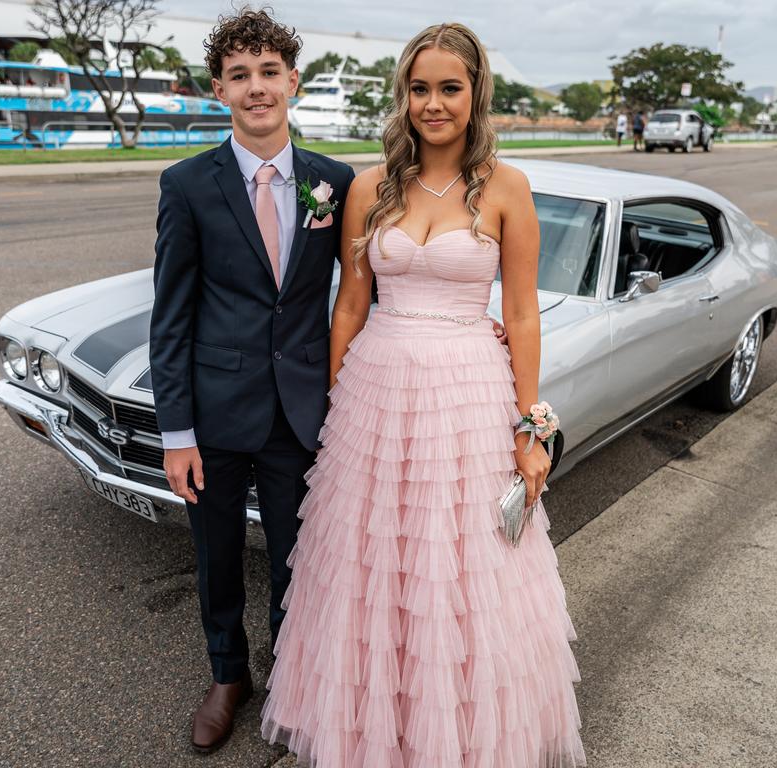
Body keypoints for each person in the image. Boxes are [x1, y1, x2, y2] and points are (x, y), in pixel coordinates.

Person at [148, 8, 508, 756]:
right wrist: (176, 433)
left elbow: (370, 287)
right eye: (240, 76)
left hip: (304, 410)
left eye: (269, 73)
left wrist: (468, 326)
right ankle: (227, 677)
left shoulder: (336, 182)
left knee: (302, 559)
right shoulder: (186, 185)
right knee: (216, 558)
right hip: (214, 413)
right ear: (219, 90)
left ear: (293, 82)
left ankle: (294, 679)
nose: (256, 89)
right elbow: (171, 318)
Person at [261, 22, 587, 767]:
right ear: (402, 95)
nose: (433, 104)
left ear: (475, 95)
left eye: (449, 88)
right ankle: (380, 727)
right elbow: (350, 304)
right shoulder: (369, 186)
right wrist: (335, 407)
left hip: (469, 392)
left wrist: (531, 427)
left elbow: (523, 313)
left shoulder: (507, 187)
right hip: (377, 392)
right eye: (419, 88)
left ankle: (459, 738)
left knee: (464, 565)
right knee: (372, 563)